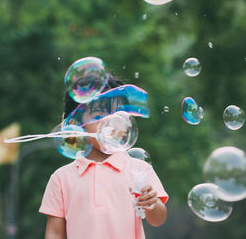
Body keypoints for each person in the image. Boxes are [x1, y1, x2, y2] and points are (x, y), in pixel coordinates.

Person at [39, 75, 168, 239]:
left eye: (117, 116)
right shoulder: (61, 178)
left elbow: (159, 219)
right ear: (76, 124)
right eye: (99, 115)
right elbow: (54, 233)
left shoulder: (139, 169)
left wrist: (151, 203)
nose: (110, 123)